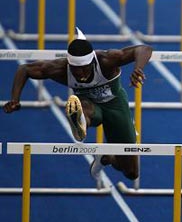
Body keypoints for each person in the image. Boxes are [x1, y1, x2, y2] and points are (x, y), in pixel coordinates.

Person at [3, 28, 153, 181]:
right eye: (75, 70)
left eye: (84, 68)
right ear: (69, 65)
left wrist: (138, 69)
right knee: (82, 106)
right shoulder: (60, 69)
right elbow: (25, 69)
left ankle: (106, 158)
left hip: (115, 106)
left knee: (132, 172)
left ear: (92, 62)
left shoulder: (107, 60)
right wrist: (15, 99)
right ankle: (81, 122)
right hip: (89, 106)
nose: (80, 74)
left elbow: (144, 49)